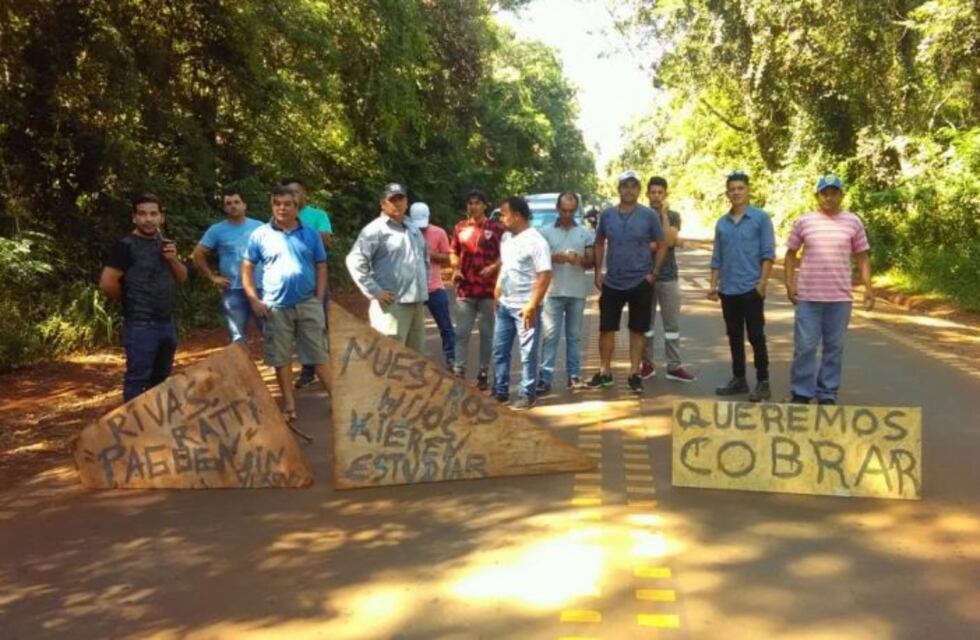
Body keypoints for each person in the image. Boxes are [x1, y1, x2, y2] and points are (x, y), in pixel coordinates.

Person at [241, 185, 329, 426]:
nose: (281, 208)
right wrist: (253, 300)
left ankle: (336, 400)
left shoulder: (310, 233)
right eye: (277, 203)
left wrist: (319, 300)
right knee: (281, 358)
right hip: (275, 307)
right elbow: (247, 267)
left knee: (318, 355)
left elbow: (321, 265)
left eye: (286, 204)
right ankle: (289, 404)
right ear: (272, 206)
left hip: (307, 302)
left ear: (295, 206)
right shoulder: (260, 235)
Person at [785, 175, 875, 405]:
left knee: (834, 348)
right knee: (805, 347)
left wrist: (868, 288)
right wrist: (789, 283)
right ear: (817, 196)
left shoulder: (853, 222)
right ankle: (801, 392)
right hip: (808, 296)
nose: (829, 197)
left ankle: (827, 393)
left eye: (834, 192)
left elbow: (862, 256)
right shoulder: (804, 221)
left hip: (840, 298)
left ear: (841, 195)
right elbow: (790, 253)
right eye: (825, 192)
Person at [99, 193, 188, 401]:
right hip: (140, 324)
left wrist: (173, 259)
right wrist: (130, 300)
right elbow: (107, 283)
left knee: (162, 379)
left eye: (153, 214)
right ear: (134, 218)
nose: (148, 219)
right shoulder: (125, 246)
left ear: (161, 218)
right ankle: (134, 432)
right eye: (142, 214)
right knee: (137, 381)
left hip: (166, 322)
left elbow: (182, 278)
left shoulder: (164, 244)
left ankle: (157, 428)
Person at [588, 170, 667, 394]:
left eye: (633, 186)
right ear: (619, 189)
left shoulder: (648, 215)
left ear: (639, 190)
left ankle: (634, 373)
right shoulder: (608, 215)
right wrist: (598, 271)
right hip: (612, 282)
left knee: (637, 330)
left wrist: (654, 273)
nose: (629, 190)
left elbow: (661, 244)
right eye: (625, 186)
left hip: (640, 281)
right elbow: (600, 242)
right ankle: (604, 372)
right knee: (606, 329)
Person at [708, 171, 776, 402]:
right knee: (734, 335)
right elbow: (717, 257)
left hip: (751, 289)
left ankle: (763, 381)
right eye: (732, 189)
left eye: (740, 188)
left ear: (748, 190)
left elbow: (768, 254)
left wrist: (762, 284)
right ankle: (739, 379)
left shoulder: (760, 219)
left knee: (756, 336)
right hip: (728, 290)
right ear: (727, 193)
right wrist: (713, 285)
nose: (736, 192)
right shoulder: (722, 223)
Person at [346, 183, 429, 352]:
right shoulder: (375, 230)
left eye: (401, 199)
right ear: (383, 204)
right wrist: (375, 290)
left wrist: (423, 284)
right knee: (390, 360)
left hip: (416, 303)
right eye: (392, 200)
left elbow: (424, 258)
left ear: (407, 202)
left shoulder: (413, 228)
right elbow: (354, 260)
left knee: (416, 360)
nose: (397, 203)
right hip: (392, 306)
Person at [492, 196, 552, 409]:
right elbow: (506, 267)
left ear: (517, 216)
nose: (501, 218)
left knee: (527, 353)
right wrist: (497, 291)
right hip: (505, 305)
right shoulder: (507, 238)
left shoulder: (537, 241)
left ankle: (527, 394)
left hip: (526, 308)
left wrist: (532, 305)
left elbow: (545, 275)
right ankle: (500, 391)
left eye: (504, 213)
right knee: (499, 350)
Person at [639, 177, 697, 383]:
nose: (656, 196)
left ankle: (674, 366)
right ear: (647, 194)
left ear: (665, 195)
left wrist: (663, 215)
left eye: (659, 192)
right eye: (652, 192)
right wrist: (659, 244)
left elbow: (668, 240)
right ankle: (647, 364)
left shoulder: (673, 215)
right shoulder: (640, 215)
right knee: (646, 325)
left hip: (668, 277)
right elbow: (642, 245)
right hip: (645, 277)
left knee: (671, 326)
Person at [537, 192, 595, 394]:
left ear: (577, 210)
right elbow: (537, 260)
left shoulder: (586, 233)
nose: (568, 215)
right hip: (552, 292)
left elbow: (591, 262)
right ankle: (545, 378)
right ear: (557, 209)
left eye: (572, 211)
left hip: (576, 292)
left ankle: (574, 376)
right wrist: (555, 257)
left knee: (574, 336)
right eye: (564, 210)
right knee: (550, 336)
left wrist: (580, 259)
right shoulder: (544, 233)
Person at [191, 188, 265, 344]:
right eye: (228, 203)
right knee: (237, 338)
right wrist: (212, 277)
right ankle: (240, 368)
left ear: (244, 205)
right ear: (225, 208)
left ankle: (277, 368)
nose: (233, 206)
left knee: (270, 333)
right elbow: (198, 254)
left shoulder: (260, 227)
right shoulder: (217, 230)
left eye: (237, 202)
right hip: (233, 290)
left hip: (261, 288)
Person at [450, 188, 504, 390]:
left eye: (477, 203)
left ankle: (483, 372)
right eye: (470, 203)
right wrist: (455, 269)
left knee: (487, 333)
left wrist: (494, 267)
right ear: (467, 206)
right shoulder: (460, 228)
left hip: (488, 290)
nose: (474, 206)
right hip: (465, 289)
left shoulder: (496, 228)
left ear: (485, 205)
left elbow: (505, 254)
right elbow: (453, 251)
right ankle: (459, 370)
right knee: (462, 332)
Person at [283, 178, 334, 389]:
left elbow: (327, 240)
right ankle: (308, 370)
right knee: (298, 328)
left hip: (316, 278)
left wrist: (305, 233)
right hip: (291, 284)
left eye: (296, 192)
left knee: (322, 325)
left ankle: (329, 368)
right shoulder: (280, 218)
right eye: (288, 193)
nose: (293, 196)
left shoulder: (317, 215)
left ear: (303, 193)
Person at [409, 201, 456, 368]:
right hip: (412, 289)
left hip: (434, 287)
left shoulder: (439, 233)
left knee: (445, 325)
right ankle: (412, 361)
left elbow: (448, 258)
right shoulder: (405, 232)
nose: (421, 229)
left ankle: (452, 358)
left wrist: (429, 254)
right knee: (411, 329)